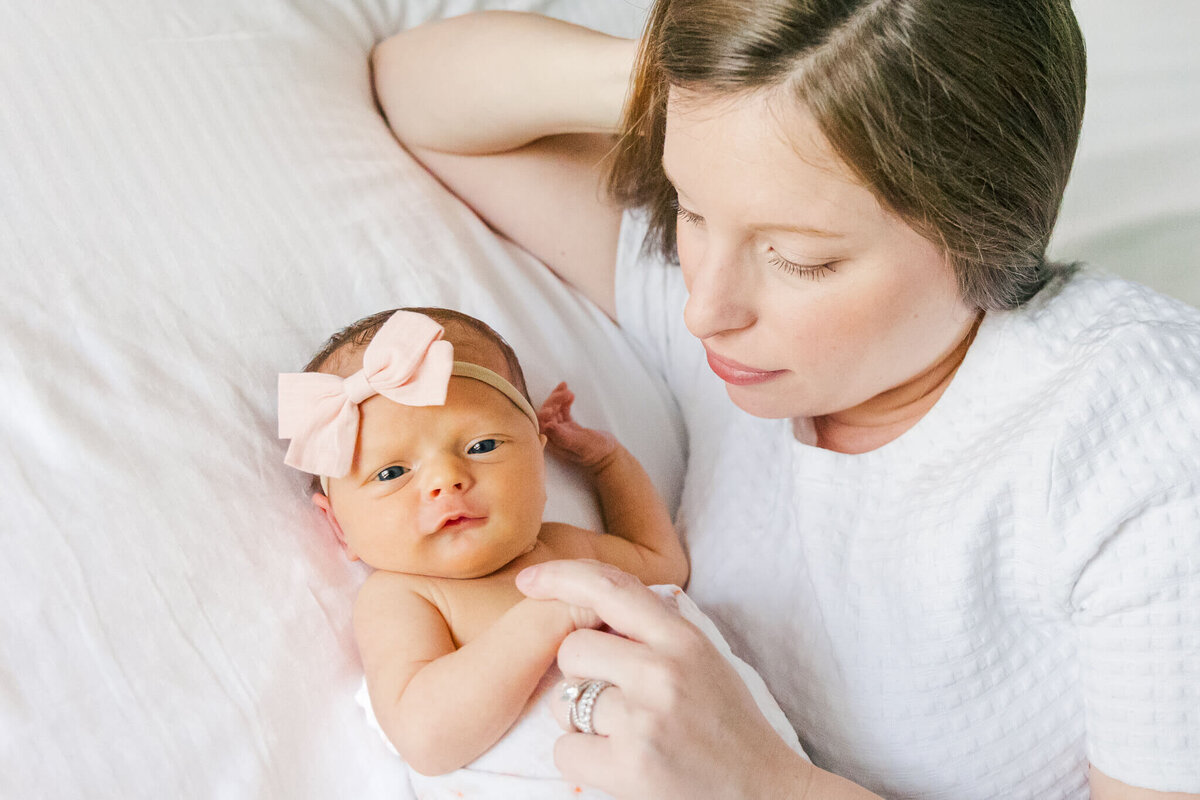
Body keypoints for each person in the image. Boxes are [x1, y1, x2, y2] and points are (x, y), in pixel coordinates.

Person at [369, 3, 1200, 799]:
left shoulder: (1142, 439)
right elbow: (417, 94)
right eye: (692, 209)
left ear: (987, 228)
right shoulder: (738, 315)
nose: (705, 308)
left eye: (799, 260)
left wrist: (768, 785)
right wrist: (715, 98)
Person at [276, 307, 801, 797]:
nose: (446, 480)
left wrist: (606, 466)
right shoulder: (404, 595)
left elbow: (663, 564)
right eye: (391, 473)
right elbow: (426, 735)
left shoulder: (562, 545)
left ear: (539, 458)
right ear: (339, 527)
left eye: (481, 446)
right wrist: (551, 616)